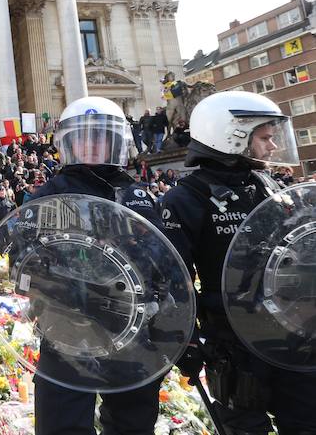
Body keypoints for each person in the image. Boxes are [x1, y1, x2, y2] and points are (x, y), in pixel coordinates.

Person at [160, 91, 316, 435]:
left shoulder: (268, 184)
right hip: (234, 341)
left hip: (291, 332)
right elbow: (173, 279)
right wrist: (184, 340)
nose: (272, 147)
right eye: (265, 138)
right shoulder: (186, 199)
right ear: (232, 136)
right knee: (246, 429)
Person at [26, 96, 166, 435]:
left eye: (100, 136)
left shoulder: (137, 193)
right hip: (67, 327)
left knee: (133, 422)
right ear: (69, 143)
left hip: (132, 327)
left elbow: (161, 257)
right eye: (83, 137)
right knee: (62, 423)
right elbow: (24, 257)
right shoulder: (49, 194)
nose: (91, 145)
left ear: (115, 142)